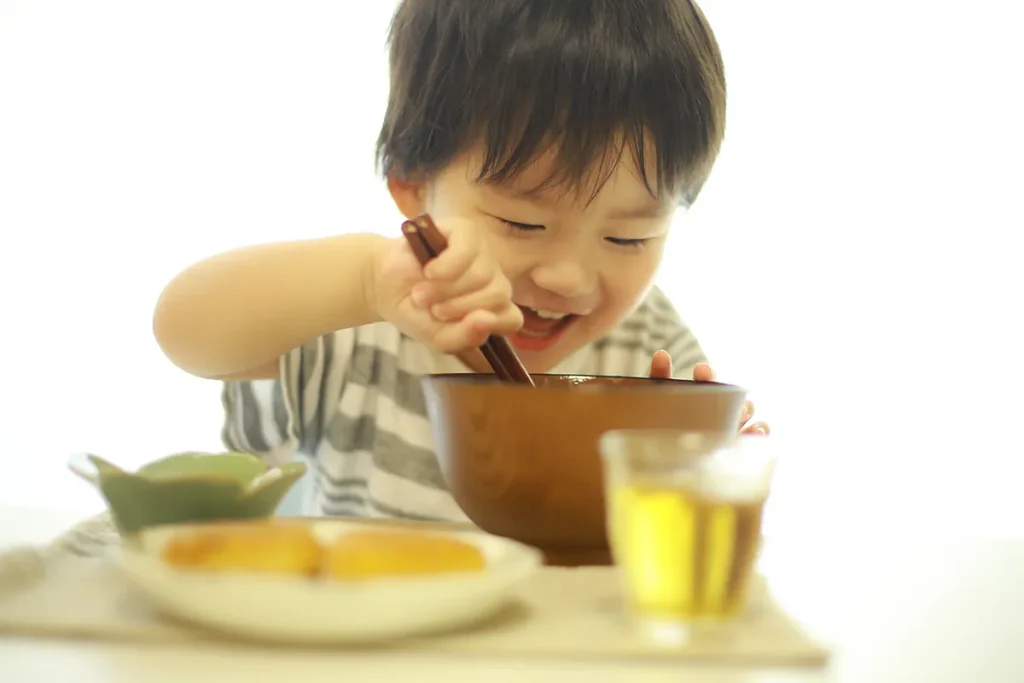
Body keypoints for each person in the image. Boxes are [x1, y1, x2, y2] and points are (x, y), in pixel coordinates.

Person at [152, 0, 769, 521]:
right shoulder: (359, 324)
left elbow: (679, 540)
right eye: (522, 222)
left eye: (629, 237)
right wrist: (365, 280)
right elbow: (184, 331)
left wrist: (702, 474)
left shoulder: (647, 350)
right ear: (413, 184)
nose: (568, 277)